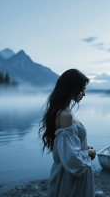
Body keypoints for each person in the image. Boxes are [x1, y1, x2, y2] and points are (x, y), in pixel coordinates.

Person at [39, 69, 96, 197]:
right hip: (71, 177)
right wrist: (89, 152)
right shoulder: (65, 115)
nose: (84, 94)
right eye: (82, 90)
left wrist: (83, 147)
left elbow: (65, 147)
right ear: (71, 88)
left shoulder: (65, 111)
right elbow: (71, 159)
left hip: (73, 173)